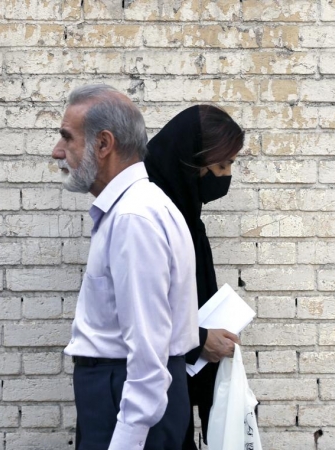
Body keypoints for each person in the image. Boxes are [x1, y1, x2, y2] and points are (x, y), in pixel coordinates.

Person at [54, 84, 199, 450]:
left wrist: (126, 442)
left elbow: (149, 357)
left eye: (67, 139)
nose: (58, 152)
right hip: (122, 396)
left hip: (124, 399)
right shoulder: (134, 209)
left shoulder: (134, 218)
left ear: (103, 145)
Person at [144, 105, 245, 450]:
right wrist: (199, 338)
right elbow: (141, 308)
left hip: (176, 386)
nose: (226, 176)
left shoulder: (186, 217)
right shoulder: (151, 215)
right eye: (220, 165)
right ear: (192, 162)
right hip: (151, 395)